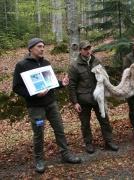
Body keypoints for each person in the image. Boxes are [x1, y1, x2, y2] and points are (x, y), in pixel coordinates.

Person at [12, 38, 81, 174]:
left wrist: (62, 83)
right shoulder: (21, 65)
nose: (42, 49)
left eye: (43, 46)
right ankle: (39, 160)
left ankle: (65, 154)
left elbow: (50, 82)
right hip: (35, 107)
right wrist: (34, 95)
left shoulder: (46, 63)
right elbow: (16, 87)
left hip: (51, 104)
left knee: (59, 129)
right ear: (31, 48)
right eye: (39, 46)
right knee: (38, 133)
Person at [68, 40, 119, 154]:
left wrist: (107, 94)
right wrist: (75, 102)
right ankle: (88, 143)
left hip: (98, 98)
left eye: (89, 48)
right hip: (83, 99)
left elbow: (104, 78)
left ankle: (109, 141)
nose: (88, 51)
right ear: (80, 51)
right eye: (85, 49)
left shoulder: (97, 61)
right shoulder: (74, 66)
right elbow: (71, 86)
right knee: (85, 123)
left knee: (104, 120)